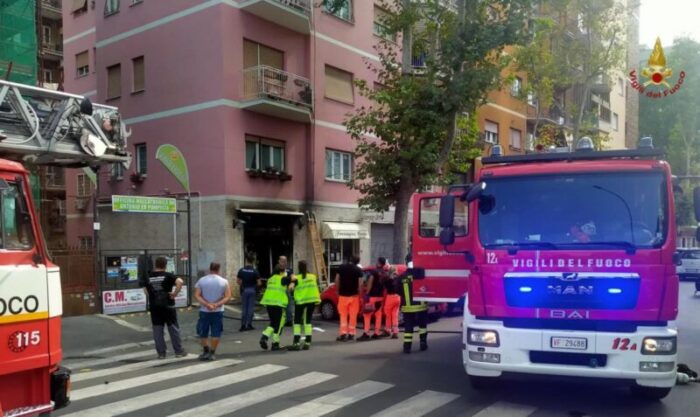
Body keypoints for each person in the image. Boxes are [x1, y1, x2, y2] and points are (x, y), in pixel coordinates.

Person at [143, 257, 186, 359]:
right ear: (165, 265)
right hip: (168, 305)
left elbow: (145, 290)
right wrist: (175, 293)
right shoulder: (168, 275)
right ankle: (179, 351)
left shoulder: (148, 276)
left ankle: (161, 353)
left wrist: (153, 297)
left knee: (157, 330)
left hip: (154, 307)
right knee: (173, 328)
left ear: (155, 265)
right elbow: (180, 282)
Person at [194, 262, 231, 361]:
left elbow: (197, 295)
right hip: (218, 311)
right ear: (219, 269)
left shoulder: (202, 280)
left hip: (204, 311)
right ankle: (212, 352)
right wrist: (216, 304)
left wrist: (207, 304)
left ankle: (205, 350)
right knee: (216, 332)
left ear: (210, 269)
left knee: (203, 332)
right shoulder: (224, 281)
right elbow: (228, 296)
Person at [288, 260, 321, 351]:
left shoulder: (296, 278)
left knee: (297, 322)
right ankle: (307, 342)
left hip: (300, 302)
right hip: (311, 302)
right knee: (307, 322)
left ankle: (296, 342)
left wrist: (292, 287)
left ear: (298, 268)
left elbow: (290, 288)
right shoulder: (313, 277)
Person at [260, 264, 292, 351]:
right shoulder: (282, 279)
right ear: (281, 272)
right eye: (284, 271)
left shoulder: (270, 279)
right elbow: (293, 279)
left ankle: (264, 337)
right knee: (279, 324)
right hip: (278, 304)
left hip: (269, 304)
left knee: (273, 323)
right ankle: (275, 344)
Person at [396, 269, 428, 353]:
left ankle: (407, 347)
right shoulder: (422, 274)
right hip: (421, 305)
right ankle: (423, 343)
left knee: (408, 326)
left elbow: (396, 289)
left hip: (408, 306)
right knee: (422, 326)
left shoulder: (401, 276)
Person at [335, 255, 363, 342]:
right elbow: (360, 284)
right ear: (357, 262)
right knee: (353, 315)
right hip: (354, 296)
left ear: (350, 259)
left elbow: (337, 279)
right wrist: (360, 294)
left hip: (343, 295)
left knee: (343, 315)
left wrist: (337, 290)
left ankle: (343, 334)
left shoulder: (341, 267)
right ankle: (351, 334)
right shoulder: (358, 270)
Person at [358, 270, 384, 341]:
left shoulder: (374, 273)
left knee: (367, 315)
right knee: (378, 315)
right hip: (380, 297)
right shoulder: (383, 273)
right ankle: (377, 333)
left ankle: (366, 333)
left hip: (372, 297)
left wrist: (367, 293)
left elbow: (370, 282)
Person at [237, 257, 260, 332]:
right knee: (250, 308)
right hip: (252, 290)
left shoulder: (241, 270)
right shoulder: (255, 271)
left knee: (244, 308)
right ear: (253, 261)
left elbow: (238, 281)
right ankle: (249, 325)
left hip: (244, 290)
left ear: (246, 261)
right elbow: (259, 283)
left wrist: (242, 285)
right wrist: (254, 287)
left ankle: (243, 325)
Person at [382, 267, 400, 339]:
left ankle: (388, 330)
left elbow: (385, 288)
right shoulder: (398, 279)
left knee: (388, 315)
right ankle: (395, 332)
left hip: (390, 297)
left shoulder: (388, 280)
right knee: (395, 315)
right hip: (398, 297)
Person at [279, 256, 295, 326]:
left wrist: (292, 285)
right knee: (285, 306)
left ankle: (288, 320)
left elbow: (293, 279)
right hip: (280, 290)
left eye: (285, 261)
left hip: (284, 290)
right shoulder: (279, 269)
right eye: (282, 261)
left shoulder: (288, 270)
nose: (284, 263)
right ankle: (285, 320)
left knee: (288, 305)